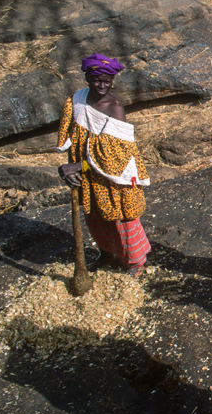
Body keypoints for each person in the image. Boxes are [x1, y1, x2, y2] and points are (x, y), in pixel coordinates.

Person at [57, 54, 151, 277]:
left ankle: (135, 262)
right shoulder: (77, 101)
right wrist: (70, 166)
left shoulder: (114, 108)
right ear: (87, 78)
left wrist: (78, 166)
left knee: (121, 217)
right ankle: (107, 253)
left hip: (115, 176)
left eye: (107, 81)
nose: (102, 86)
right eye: (96, 80)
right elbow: (71, 135)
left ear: (113, 81)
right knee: (96, 216)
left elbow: (115, 157)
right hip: (87, 174)